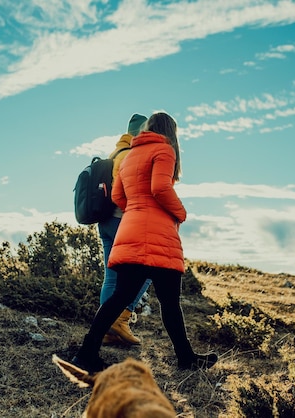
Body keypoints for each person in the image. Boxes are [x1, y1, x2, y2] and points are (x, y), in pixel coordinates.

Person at [72, 111, 218, 373]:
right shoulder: (164, 150)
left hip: (132, 230)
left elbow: (118, 195)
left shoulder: (130, 155)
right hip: (157, 235)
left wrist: (138, 209)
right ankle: (186, 358)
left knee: (119, 297)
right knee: (170, 302)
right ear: (171, 132)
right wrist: (179, 213)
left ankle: (87, 353)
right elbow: (160, 188)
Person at [98, 113, 152, 346]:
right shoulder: (132, 154)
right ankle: (121, 318)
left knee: (111, 279)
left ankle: (106, 332)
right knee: (148, 271)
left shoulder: (115, 153)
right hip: (123, 221)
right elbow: (125, 193)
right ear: (142, 131)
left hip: (106, 222)